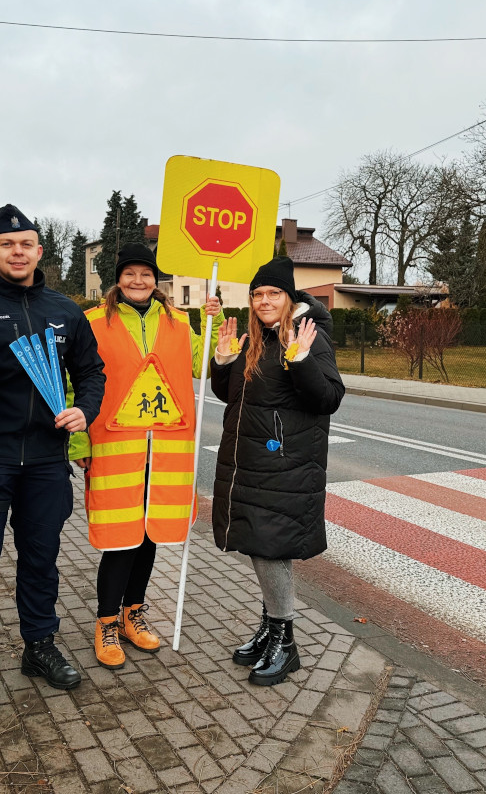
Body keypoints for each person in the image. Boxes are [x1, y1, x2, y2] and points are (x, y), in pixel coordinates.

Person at [0, 205, 106, 713]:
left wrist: (85, 409)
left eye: (27, 244)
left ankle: (38, 646)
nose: (18, 252)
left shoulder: (65, 310)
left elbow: (92, 371)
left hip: (44, 462)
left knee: (41, 561)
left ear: (40, 251)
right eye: (7, 244)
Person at [76, 242, 220, 669]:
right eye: (129, 273)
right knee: (120, 539)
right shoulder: (92, 323)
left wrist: (216, 335)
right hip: (115, 450)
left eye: (145, 274)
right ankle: (105, 620)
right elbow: (75, 383)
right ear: (116, 279)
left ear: (156, 280)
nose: (138, 281)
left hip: (167, 453)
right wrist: (78, 441)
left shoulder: (178, 321)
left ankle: (132, 614)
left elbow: (202, 364)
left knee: (151, 534)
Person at [210, 256, 345, 686]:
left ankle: (285, 643)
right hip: (251, 460)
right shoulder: (255, 336)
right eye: (258, 294)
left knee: (271, 548)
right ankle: (271, 628)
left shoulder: (308, 334)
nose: (264, 300)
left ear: (288, 297)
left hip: (285, 463)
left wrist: (302, 359)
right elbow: (232, 395)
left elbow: (327, 398)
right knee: (259, 544)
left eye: (273, 293)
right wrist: (222, 360)